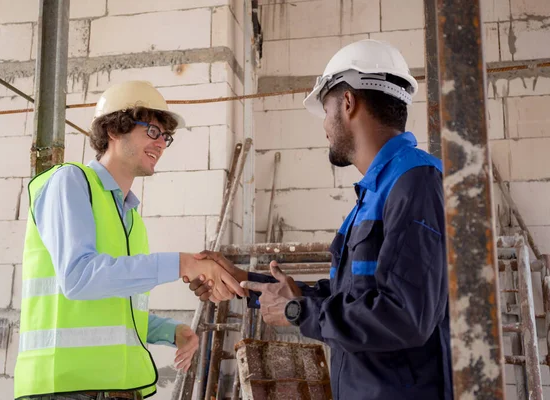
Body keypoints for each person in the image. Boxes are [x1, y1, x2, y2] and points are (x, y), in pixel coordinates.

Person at [184, 40, 453, 400]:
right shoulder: (379, 189)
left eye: (325, 109)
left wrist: (297, 310)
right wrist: (245, 282)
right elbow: (352, 298)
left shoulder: (415, 182)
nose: (324, 125)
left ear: (347, 102)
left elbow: (407, 317)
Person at [14, 80, 245, 400]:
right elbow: (79, 278)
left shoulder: (130, 217)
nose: (161, 143)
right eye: (152, 131)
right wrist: (184, 263)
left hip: (118, 389)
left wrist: (170, 331)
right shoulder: (71, 181)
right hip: (65, 388)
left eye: (166, 136)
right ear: (114, 129)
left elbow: (113, 309)